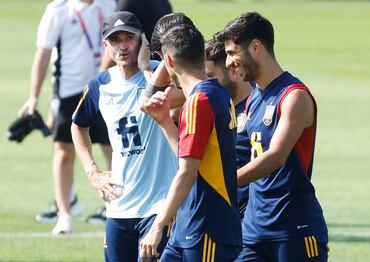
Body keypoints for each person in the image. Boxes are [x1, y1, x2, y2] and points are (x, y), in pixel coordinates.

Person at [215, 12, 329, 261]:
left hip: (294, 230)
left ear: (256, 47)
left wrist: (223, 183)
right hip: (253, 231)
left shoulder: (293, 96)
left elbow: (275, 156)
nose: (228, 62)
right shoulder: (254, 97)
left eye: (233, 52)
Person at [71, 11, 177, 261]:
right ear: (105, 45)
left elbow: (185, 93)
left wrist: (145, 67)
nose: (122, 46)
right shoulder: (99, 85)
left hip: (159, 207)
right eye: (115, 40)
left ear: (142, 40)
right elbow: (77, 125)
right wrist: (93, 172)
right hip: (119, 208)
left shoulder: (161, 74)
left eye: (128, 38)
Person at [139, 24, 242, 261]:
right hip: (188, 227)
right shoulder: (215, 93)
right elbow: (193, 159)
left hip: (207, 229)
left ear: (169, 62)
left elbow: (187, 173)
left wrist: (157, 227)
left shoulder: (199, 101)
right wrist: (165, 121)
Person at [18, 0, 115, 234]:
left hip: (104, 87)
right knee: (63, 151)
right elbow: (42, 54)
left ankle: (114, 208)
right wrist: (33, 96)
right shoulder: (58, 10)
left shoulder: (109, 4)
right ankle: (65, 214)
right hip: (68, 90)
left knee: (112, 148)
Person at [204, 37, 252, 220]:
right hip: (219, 215)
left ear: (232, 71)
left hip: (250, 218)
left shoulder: (257, 108)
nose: (204, 85)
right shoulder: (210, 107)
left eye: (210, 77)